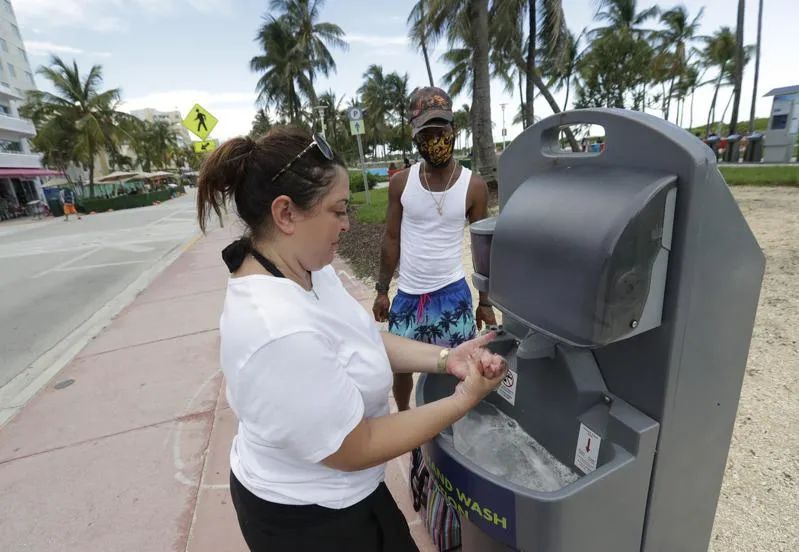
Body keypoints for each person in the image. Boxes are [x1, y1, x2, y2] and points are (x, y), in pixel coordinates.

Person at [196, 126, 507, 552]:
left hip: (347, 492)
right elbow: (357, 445)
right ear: (286, 214)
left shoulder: (306, 267)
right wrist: (463, 399)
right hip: (310, 519)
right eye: (338, 211)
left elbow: (360, 340)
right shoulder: (278, 330)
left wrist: (447, 358)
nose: (348, 223)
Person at [371, 86, 497, 550]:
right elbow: (389, 238)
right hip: (409, 296)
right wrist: (383, 289)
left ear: (454, 129)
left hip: (451, 296)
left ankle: (453, 432)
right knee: (400, 369)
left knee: (453, 368)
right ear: (416, 136)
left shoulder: (474, 187)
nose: (435, 138)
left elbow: (483, 247)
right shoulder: (402, 183)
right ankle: (407, 423)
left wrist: (485, 300)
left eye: (442, 129)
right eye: (427, 131)